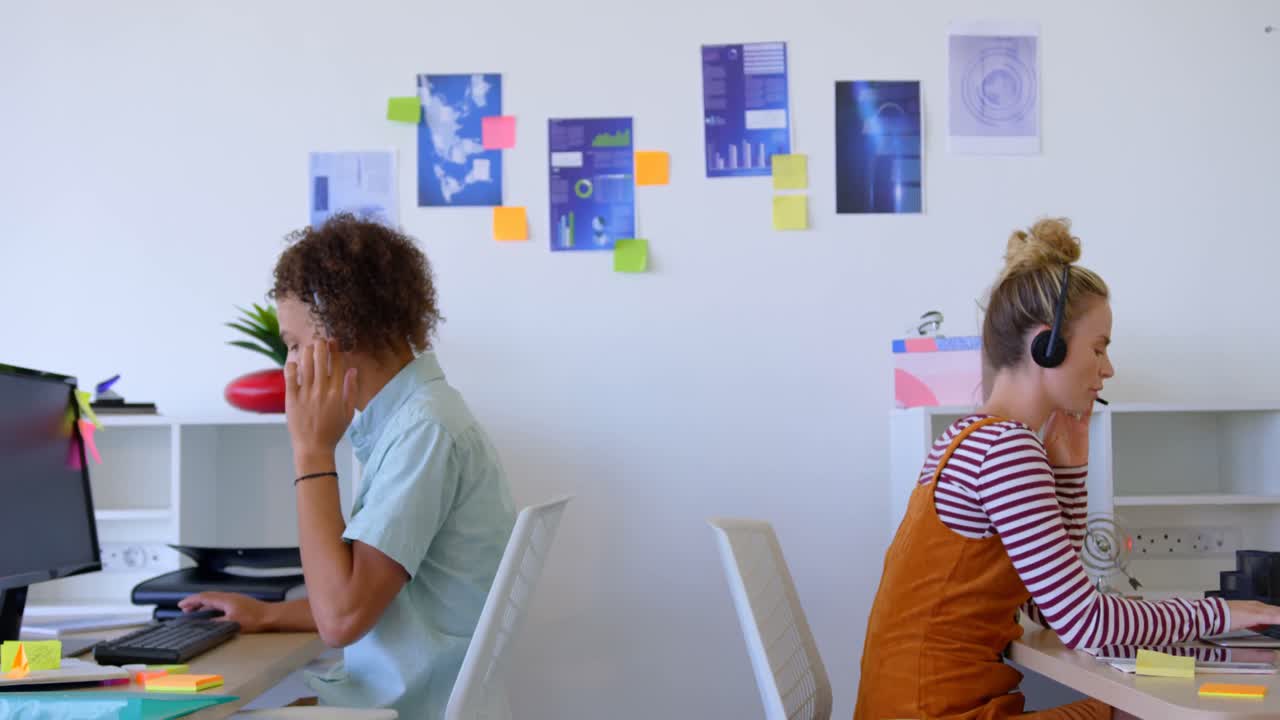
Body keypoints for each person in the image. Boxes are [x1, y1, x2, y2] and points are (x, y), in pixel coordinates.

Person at [855, 218, 1280, 720]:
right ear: (1046, 346)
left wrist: (1070, 471)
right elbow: (1086, 623)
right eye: (1098, 347)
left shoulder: (969, 438)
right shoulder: (1005, 450)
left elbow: (1046, 603)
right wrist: (1233, 611)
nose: (1108, 368)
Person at [181, 214, 516, 718]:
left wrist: (311, 452)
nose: (289, 366)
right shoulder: (408, 421)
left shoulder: (423, 432)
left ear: (347, 330)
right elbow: (374, 599)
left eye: (294, 345)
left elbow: (342, 619)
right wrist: (268, 615)